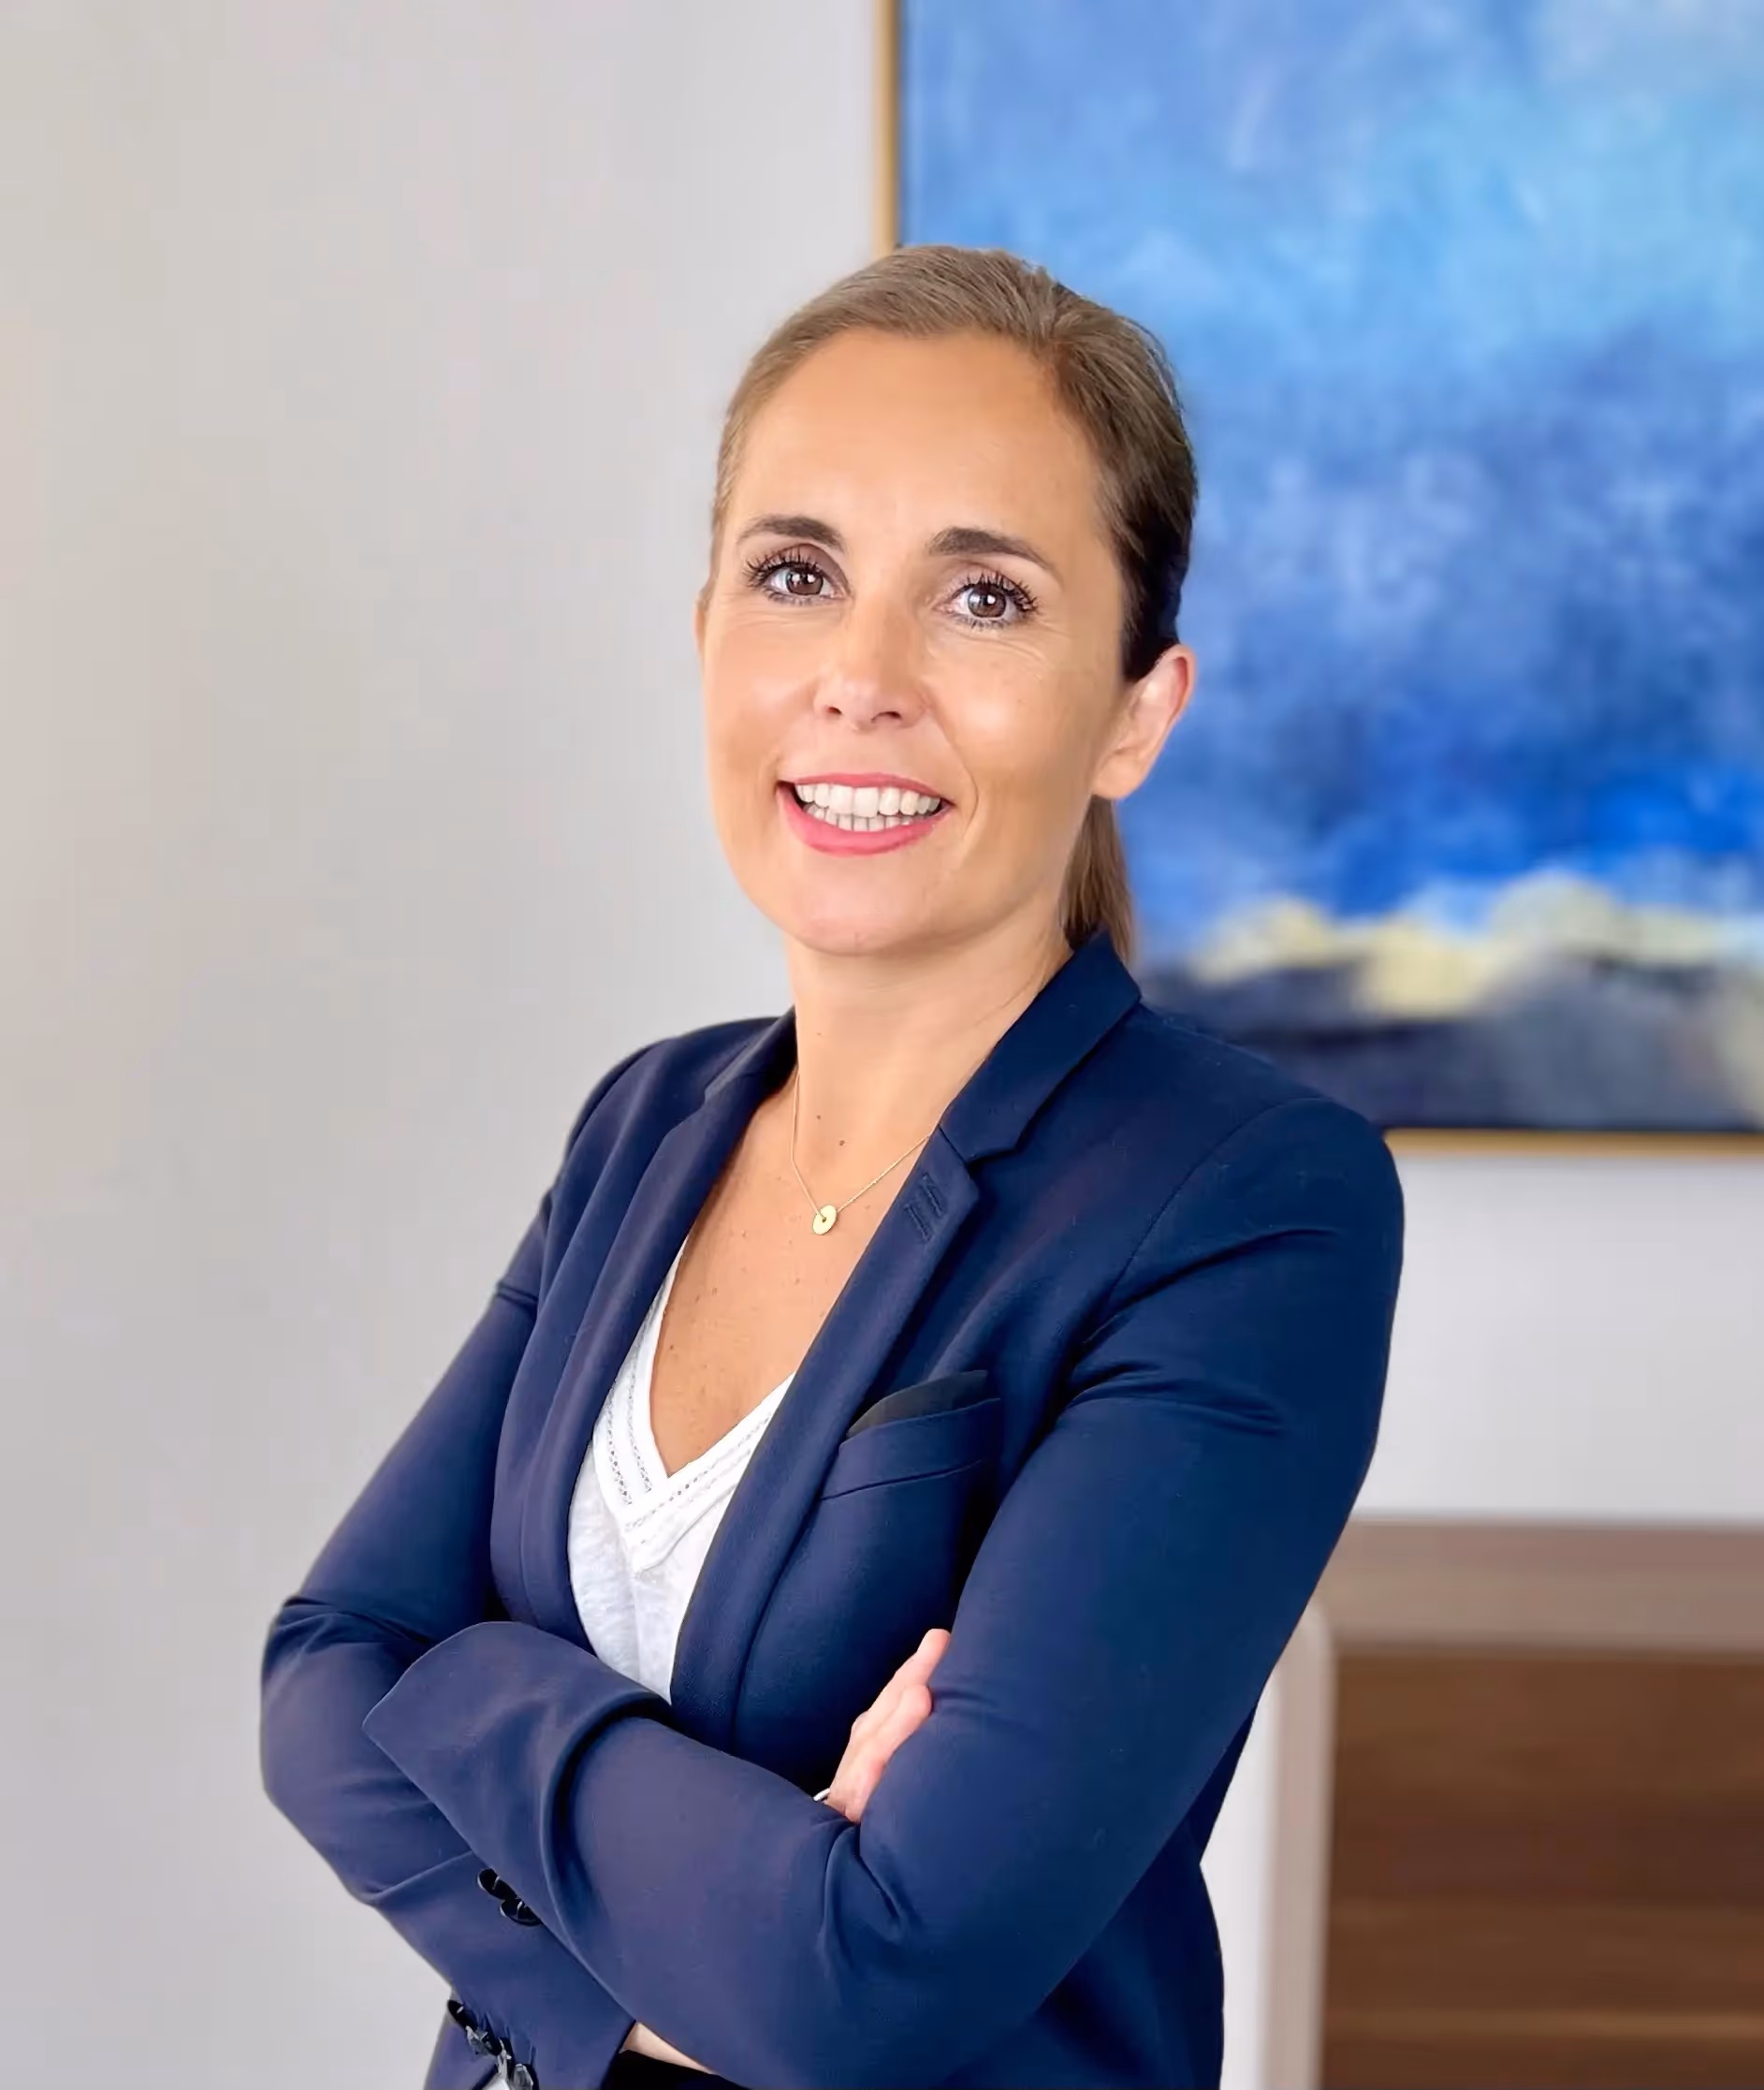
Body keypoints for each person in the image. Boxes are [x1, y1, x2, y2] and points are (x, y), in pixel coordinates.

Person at [259, 242, 1406, 2090]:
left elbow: (864, 1984)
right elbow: (321, 1677)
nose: (860, 679)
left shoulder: (1248, 1205)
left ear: (1135, 710)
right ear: (706, 632)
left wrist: (469, 1685)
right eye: (796, 575)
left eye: (983, 598)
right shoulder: (646, 1125)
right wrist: (669, 1966)